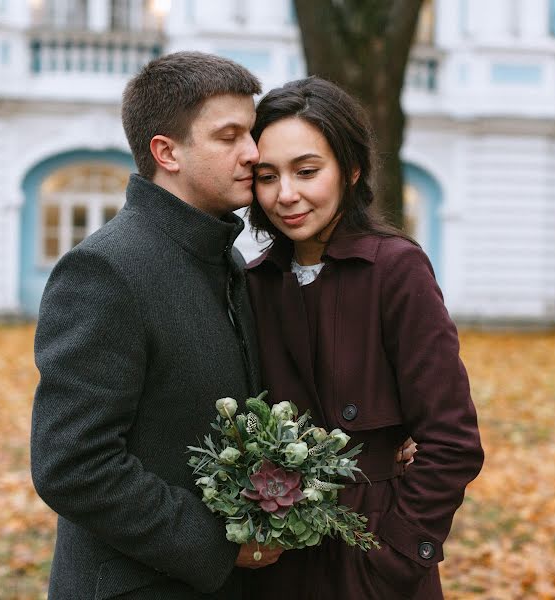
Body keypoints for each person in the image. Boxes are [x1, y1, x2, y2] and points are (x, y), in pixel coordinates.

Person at [30, 51, 283, 599]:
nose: (254, 153)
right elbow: (73, 464)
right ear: (166, 151)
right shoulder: (105, 270)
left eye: (253, 133)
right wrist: (219, 544)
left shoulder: (226, 261)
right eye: (229, 136)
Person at [244, 77, 484, 599]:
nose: (286, 195)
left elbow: (452, 440)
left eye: (307, 171)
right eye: (267, 176)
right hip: (276, 563)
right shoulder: (254, 283)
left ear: (350, 169)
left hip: (374, 560)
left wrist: (397, 556)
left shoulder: (395, 269)